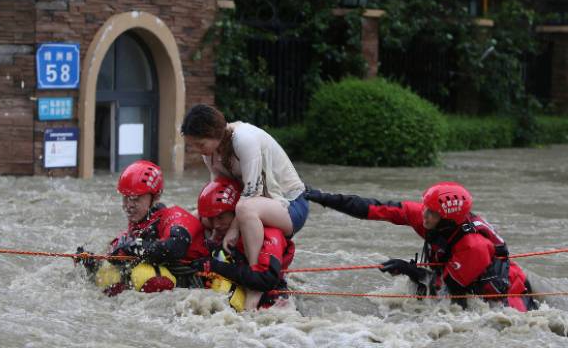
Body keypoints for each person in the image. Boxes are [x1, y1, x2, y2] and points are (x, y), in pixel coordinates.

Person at [306, 181, 539, 312]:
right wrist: (324, 198)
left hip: (507, 297)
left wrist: (409, 270)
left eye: (431, 213)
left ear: (447, 219)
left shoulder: (473, 247)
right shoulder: (432, 218)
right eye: (425, 208)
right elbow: (374, 209)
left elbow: (445, 292)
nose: (424, 216)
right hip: (457, 275)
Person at [180, 104, 308, 276]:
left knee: (244, 209)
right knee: (200, 213)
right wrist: (214, 226)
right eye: (194, 145)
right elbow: (220, 195)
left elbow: (251, 194)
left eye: (200, 144)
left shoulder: (244, 139)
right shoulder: (209, 153)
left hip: (291, 205)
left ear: (214, 133)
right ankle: (182, 262)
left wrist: (233, 230)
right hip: (256, 204)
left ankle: (254, 276)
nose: (198, 150)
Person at [75, 160, 209, 295]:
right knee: (109, 274)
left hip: (195, 280)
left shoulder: (174, 217)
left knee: (147, 276)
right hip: (166, 280)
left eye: (136, 199)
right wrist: (91, 263)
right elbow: (116, 253)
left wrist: (135, 247)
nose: (129, 205)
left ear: (156, 196)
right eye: (125, 198)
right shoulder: (138, 224)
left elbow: (177, 247)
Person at [191, 177, 295, 311]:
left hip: (269, 296)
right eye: (211, 219)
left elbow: (264, 279)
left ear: (235, 214)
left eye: (220, 217)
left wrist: (213, 266)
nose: (216, 225)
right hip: (238, 283)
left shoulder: (268, 234)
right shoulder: (219, 230)